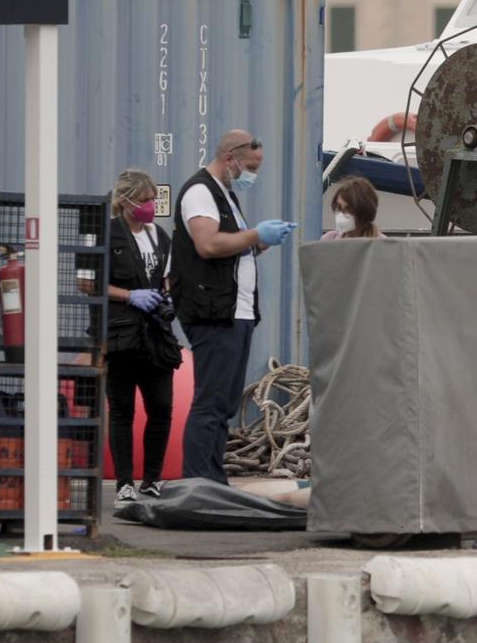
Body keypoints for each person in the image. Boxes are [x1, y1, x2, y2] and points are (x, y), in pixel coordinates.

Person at [171, 130, 295, 483]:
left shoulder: (224, 195)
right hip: (213, 312)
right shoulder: (200, 192)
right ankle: (198, 480)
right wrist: (256, 234)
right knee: (210, 401)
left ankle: (213, 477)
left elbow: (231, 248)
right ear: (230, 158)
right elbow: (208, 245)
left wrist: (260, 243)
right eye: (249, 168)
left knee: (223, 403)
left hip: (236, 312)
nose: (250, 175)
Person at [102, 169, 177, 502]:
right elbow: (87, 283)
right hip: (121, 334)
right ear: (126, 200)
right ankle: (123, 482)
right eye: (145, 199)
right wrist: (129, 295)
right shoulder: (107, 233)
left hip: (156, 334)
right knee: (122, 410)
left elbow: (170, 276)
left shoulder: (159, 236)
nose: (150, 206)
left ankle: (152, 478)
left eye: (152, 199)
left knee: (161, 407)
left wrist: (167, 294)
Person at [321, 176, 383, 241]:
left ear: (365, 212)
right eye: (338, 207)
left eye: (347, 209)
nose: (341, 213)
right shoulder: (328, 239)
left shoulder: (382, 244)